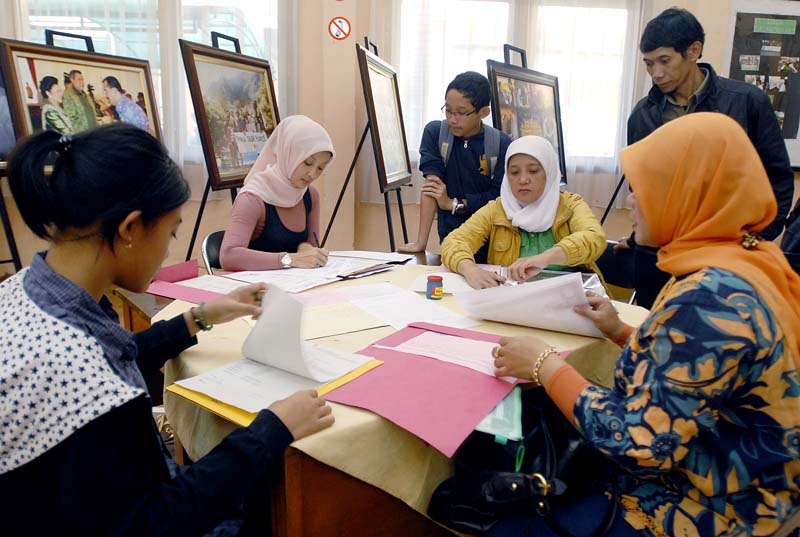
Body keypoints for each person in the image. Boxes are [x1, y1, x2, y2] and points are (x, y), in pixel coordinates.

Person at [0, 124, 335, 535]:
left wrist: (199, 318)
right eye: (172, 231)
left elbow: (115, 356)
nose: (169, 250)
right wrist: (271, 429)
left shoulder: (29, 289)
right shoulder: (84, 378)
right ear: (130, 229)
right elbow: (156, 522)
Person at [487, 113, 800, 536]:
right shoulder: (743, 258)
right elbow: (703, 368)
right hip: (748, 483)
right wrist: (620, 330)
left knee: (506, 524)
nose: (630, 202)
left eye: (643, 188)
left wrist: (543, 364)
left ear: (686, 193)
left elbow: (640, 442)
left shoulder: (707, 299)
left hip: (714, 507)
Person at [605, 7, 795, 309]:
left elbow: (778, 180)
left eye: (664, 61)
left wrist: (753, 239)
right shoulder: (643, 114)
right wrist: (641, 236)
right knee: (653, 336)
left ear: (693, 51)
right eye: (649, 64)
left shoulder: (747, 102)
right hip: (659, 259)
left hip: (726, 257)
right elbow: (642, 189)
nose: (656, 73)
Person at [441, 136, 605, 289]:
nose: (523, 180)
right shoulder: (498, 209)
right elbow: (454, 241)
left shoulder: (570, 205)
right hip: (513, 298)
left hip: (569, 297)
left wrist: (543, 259)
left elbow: (594, 237)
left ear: (549, 172)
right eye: (514, 172)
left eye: (533, 171)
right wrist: (471, 270)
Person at [397, 71, 512, 261]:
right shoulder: (435, 133)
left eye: (461, 112)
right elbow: (432, 188)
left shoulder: (501, 144)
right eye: (448, 110)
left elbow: (499, 199)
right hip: (450, 238)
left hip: (492, 242)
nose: (452, 119)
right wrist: (420, 243)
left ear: (483, 112)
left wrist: (453, 204)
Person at [220, 115, 333, 271]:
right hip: (257, 289)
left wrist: (306, 249)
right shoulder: (252, 198)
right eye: (308, 162)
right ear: (289, 153)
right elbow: (228, 256)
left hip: (298, 287)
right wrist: (289, 259)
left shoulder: (310, 195)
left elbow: (311, 246)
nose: (312, 174)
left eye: (321, 168)